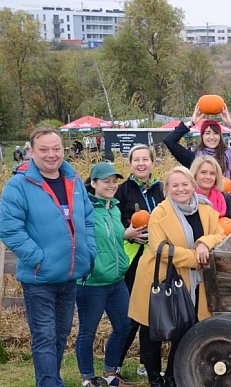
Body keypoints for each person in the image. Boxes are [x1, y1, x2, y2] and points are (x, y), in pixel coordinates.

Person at [0, 127, 96, 387]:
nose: (51, 154)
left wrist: (89, 250)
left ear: (64, 150)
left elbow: (88, 219)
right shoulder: (19, 185)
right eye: (43, 149)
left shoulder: (73, 180)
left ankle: (51, 380)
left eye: (56, 149)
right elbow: (10, 229)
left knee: (60, 335)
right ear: (31, 151)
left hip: (70, 275)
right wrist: (38, 258)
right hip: (39, 278)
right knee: (44, 336)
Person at [128, 166, 226, 387]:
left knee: (185, 327)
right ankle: (155, 379)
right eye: (175, 185)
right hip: (159, 279)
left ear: (193, 185)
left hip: (193, 282)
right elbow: (160, 248)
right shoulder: (160, 213)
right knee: (152, 329)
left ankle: (172, 376)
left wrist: (204, 243)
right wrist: (194, 258)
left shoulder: (205, 209)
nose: (180, 189)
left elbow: (220, 234)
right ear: (167, 189)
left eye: (185, 184)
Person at [77, 163, 138, 387]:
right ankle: (87, 377)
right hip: (92, 281)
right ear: (93, 183)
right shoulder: (84, 208)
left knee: (124, 326)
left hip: (116, 280)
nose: (112, 185)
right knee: (88, 331)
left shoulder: (114, 208)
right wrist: (89, 265)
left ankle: (110, 373)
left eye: (114, 181)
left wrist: (128, 235)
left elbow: (114, 238)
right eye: (106, 181)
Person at [114, 144, 164, 376]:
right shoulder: (122, 191)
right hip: (133, 259)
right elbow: (113, 220)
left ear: (152, 163)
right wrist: (128, 232)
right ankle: (115, 364)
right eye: (137, 160)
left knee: (152, 313)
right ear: (130, 164)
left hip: (157, 258)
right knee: (131, 314)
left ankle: (146, 364)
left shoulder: (162, 189)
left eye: (145, 159)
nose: (141, 164)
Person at [163, 104, 231, 180]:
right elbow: (169, 141)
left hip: (226, 197)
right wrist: (191, 123)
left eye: (216, 133)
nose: (212, 137)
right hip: (200, 199)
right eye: (207, 133)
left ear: (220, 136)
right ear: (202, 136)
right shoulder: (193, 158)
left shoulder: (230, 156)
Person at [190, 156, 231, 220]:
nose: (208, 177)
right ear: (195, 175)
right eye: (203, 172)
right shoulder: (188, 198)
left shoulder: (226, 198)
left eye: (212, 173)